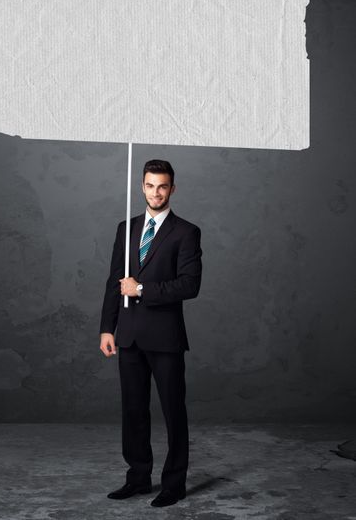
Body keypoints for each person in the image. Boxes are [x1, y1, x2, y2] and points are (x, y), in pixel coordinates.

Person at [99, 159, 203, 508]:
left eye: (162, 186)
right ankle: (139, 477)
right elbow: (115, 282)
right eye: (149, 185)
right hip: (128, 335)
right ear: (141, 186)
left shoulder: (186, 232)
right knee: (133, 411)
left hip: (165, 338)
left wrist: (141, 288)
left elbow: (190, 285)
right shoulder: (125, 230)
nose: (155, 192)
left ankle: (174, 484)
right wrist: (106, 328)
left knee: (173, 411)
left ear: (172, 188)